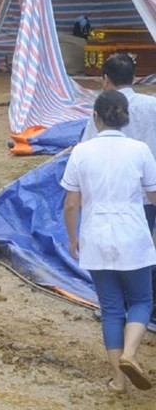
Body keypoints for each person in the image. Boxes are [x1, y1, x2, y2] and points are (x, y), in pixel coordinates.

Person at [61, 90, 156, 393]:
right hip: (133, 235)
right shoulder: (140, 150)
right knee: (142, 300)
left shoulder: (81, 152)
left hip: (95, 235)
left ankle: (118, 380)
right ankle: (130, 354)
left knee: (112, 308)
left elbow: (70, 205)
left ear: (96, 117)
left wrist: (73, 237)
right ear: (125, 117)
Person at [81, 53, 156, 318]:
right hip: (150, 191)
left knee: (116, 250)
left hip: (117, 194)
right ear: (135, 77)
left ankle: (117, 305)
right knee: (145, 247)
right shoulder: (152, 105)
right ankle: (145, 303)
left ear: (105, 80)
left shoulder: (101, 110)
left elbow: (86, 149)